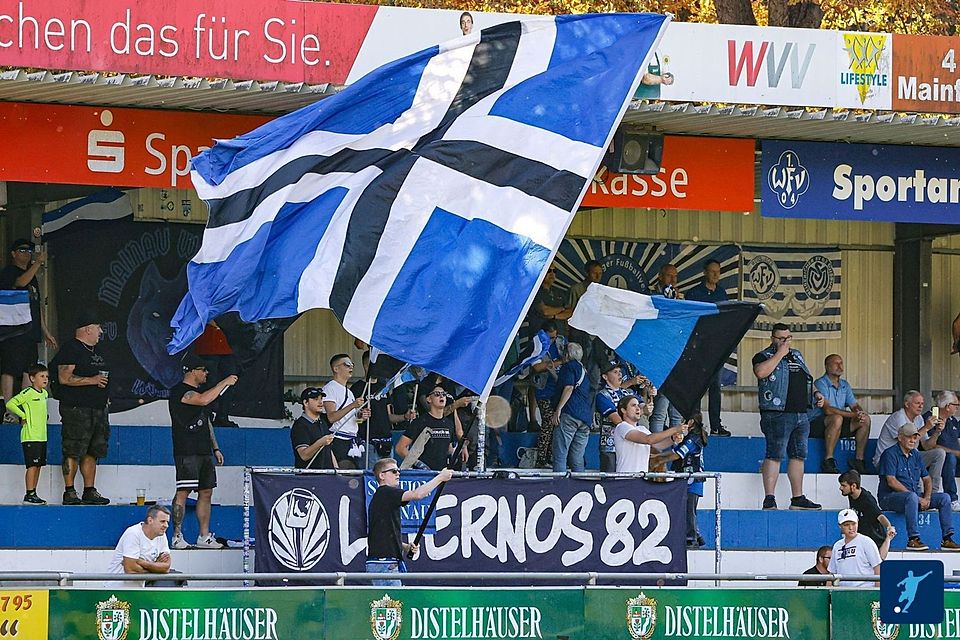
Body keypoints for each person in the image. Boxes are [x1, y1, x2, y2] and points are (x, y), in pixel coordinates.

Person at [752, 323, 822, 511]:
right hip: (777, 413)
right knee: (774, 454)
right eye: (781, 338)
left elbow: (807, 379)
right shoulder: (764, 356)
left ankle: (797, 497)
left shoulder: (797, 355)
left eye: (788, 338)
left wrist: (816, 394)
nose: (785, 342)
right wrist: (779, 353)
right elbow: (761, 372)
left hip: (800, 412)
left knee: (798, 455)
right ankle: (769, 498)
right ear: (772, 338)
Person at [169, 354, 235, 550]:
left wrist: (215, 447)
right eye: (203, 370)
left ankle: (204, 536)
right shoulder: (180, 391)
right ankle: (177, 536)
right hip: (186, 449)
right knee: (183, 491)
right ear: (192, 371)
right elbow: (203, 400)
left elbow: (206, 422)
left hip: (204, 449)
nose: (206, 373)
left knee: (206, 492)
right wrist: (224, 382)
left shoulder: (200, 393)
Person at [367, 459, 453, 586]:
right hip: (384, 564)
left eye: (398, 471)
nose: (398, 474)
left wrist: (405, 547)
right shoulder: (386, 492)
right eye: (394, 471)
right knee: (392, 604)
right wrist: (440, 477)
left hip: (383, 563)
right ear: (382, 476)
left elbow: (382, 534)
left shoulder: (382, 497)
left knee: (389, 603)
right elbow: (417, 494)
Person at [56, 311, 111, 506]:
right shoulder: (70, 348)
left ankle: (89, 490)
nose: (101, 332)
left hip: (98, 408)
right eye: (98, 328)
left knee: (92, 450)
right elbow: (64, 378)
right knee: (73, 448)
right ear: (88, 329)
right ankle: (69, 491)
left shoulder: (98, 351)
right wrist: (92, 380)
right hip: (76, 408)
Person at [877, 423, 960, 551]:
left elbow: (927, 479)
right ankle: (913, 539)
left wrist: (926, 497)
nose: (912, 440)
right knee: (912, 497)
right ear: (900, 437)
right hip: (889, 498)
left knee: (945, 498)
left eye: (915, 437)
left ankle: (947, 539)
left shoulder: (915, 454)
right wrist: (917, 497)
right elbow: (891, 481)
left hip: (913, 497)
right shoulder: (890, 454)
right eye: (909, 437)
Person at [0, 239, 56, 422]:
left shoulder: (32, 276)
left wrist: (45, 331)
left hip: (30, 330)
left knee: (28, 370)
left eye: (29, 250)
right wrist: (38, 263)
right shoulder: (9, 272)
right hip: (13, 330)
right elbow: (20, 283)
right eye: (22, 250)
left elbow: (36, 305)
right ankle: (9, 408)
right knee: (10, 368)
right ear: (13, 253)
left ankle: (24, 407)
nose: (26, 253)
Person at [684, 259, 731, 437]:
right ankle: (695, 423)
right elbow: (688, 319)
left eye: (718, 272)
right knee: (696, 385)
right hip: (697, 346)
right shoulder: (694, 293)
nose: (715, 275)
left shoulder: (721, 293)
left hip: (715, 346)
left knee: (715, 386)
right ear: (705, 272)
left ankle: (716, 426)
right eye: (712, 271)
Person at [808, 354, 871, 474]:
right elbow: (827, 410)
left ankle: (858, 460)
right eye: (836, 363)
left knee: (865, 420)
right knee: (836, 418)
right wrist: (853, 415)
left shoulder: (844, 385)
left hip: (838, 425)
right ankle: (828, 460)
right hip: (816, 424)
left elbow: (854, 405)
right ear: (827, 366)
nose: (840, 366)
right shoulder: (821, 383)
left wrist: (859, 413)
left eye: (841, 363)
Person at [874, 391, 946, 494]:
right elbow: (905, 441)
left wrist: (937, 432)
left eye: (922, 403)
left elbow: (927, 446)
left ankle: (932, 494)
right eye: (917, 403)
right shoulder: (898, 417)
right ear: (907, 404)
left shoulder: (919, 419)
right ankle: (917, 498)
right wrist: (926, 427)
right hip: (887, 460)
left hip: (908, 458)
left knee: (939, 453)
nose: (921, 406)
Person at [656, 414, 708, 547]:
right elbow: (677, 451)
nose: (680, 424)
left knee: (689, 510)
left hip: (693, 480)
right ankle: (698, 536)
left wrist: (658, 460)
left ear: (690, 422)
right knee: (688, 509)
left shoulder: (693, 438)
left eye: (682, 421)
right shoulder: (690, 438)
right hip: (686, 479)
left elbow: (677, 455)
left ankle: (691, 539)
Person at [6, 363, 49, 504]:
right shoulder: (27, 393)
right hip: (30, 435)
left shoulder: (44, 393)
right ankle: (29, 493)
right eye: (41, 376)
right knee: (32, 465)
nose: (45, 379)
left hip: (42, 435)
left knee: (38, 465)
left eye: (47, 376)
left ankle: (34, 492)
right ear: (32, 378)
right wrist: (23, 415)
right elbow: (11, 403)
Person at [396, 383, 465, 470]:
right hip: (423, 475)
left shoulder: (449, 423)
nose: (441, 396)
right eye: (437, 394)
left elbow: (449, 449)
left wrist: (461, 449)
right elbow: (400, 448)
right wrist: (418, 464)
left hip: (442, 474)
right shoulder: (420, 422)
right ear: (428, 399)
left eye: (444, 394)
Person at [650, 264, 683, 433]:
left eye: (675, 276)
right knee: (660, 410)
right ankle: (656, 453)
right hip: (659, 357)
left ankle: (677, 454)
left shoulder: (680, 298)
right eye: (669, 276)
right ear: (660, 277)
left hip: (676, 357)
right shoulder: (652, 296)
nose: (673, 280)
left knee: (677, 412)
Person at [614, 395, 686, 473]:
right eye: (633, 405)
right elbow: (649, 439)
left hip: (642, 478)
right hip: (626, 478)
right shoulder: (622, 427)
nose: (638, 408)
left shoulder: (642, 429)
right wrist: (675, 429)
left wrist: (672, 438)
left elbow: (657, 444)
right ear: (623, 410)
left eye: (638, 405)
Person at [105, 505, 172, 589]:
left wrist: (142, 563)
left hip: (138, 590)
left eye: (167, 522)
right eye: (162, 521)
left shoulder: (162, 535)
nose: (166, 525)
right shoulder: (133, 533)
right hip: (116, 589)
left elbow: (166, 568)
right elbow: (130, 570)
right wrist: (155, 567)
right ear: (150, 520)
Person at [551, 343, 591, 472]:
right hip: (585, 417)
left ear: (567, 355)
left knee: (560, 453)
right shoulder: (583, 369)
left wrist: (558, 409)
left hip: (570, 413)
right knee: (577, 457)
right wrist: (553, 373)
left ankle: (559, 487)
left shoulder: (568, 367)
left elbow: (568, 387)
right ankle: (580, 487)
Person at [594, 360, 641, 472]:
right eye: (615, 372)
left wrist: (647, 405)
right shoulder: (602, 395)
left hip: (628, 445)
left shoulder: (627, 393)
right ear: (605, 377)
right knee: (609, 483)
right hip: (610, 446)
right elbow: (616, 419)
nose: (620, 374)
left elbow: (643, 409)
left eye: (620, 371)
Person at [839, 469, 896, 559]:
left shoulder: (867, 500)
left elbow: (880, 516)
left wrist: (889, 527)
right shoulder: (851, 495)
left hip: (874, 538)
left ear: (853, 486)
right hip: (861, 538)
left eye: (843, 485)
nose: (841, 488)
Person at [923, 390, 960, 511]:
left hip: (955, 458)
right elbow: (930, 446)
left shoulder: (952, 420)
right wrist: (955, 453)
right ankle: (952, 498)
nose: (957, 408)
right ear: (948, 406)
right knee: (949, 457)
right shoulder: (930, 419)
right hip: (938, 460)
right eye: (956, 405)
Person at [827, 509, 882, 587]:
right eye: (846, 525)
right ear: (840, 526)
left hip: (865, 590)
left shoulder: (866, 542)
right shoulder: (837, 545)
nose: (851, 527)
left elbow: (878, 568)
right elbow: (832, 572)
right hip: (843, 592)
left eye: (853, 524)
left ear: (858, 523)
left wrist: (876, 593)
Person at [291, 387, 336, 470]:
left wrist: (337, 469)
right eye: (315, 399)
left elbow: (329, 450)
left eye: (321, 399)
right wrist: (320, 442)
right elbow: (304, 455)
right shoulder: (300, 425)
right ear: (306, 403)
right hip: (309, 478)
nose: (320, 402)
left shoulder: (323, 422)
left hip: (328, 476)